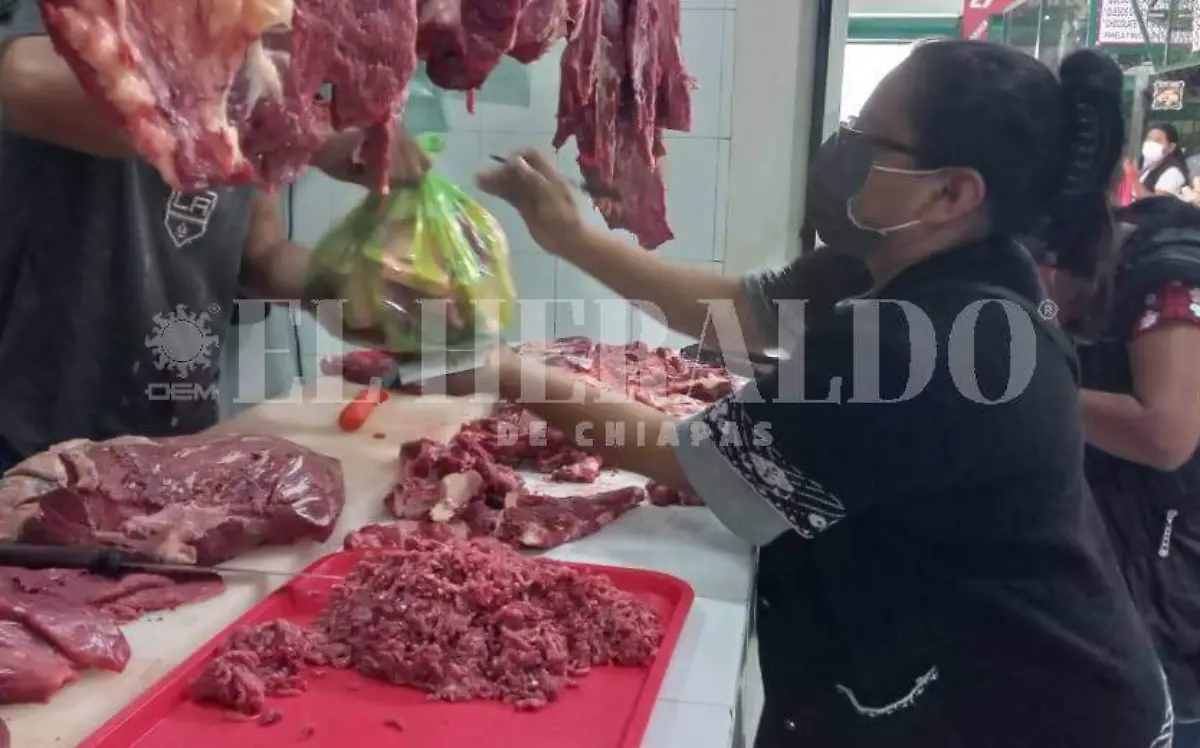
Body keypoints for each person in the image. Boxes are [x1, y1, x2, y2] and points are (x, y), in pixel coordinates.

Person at [458, 41, 1172, 747]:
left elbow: (699, 466)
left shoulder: (925, 340)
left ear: (951, 192)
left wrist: (502, 369)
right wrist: (570, 239)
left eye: (869, 136)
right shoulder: (920, 260)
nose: (842, 149)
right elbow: (738, 309)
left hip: (1036, 711)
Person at [0, 0, 429, 469]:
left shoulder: (268, 52)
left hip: (172, 424)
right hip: (32, 422)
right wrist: (303, 129)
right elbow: (23, 81)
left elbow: (262, 255)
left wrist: (347, 289)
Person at [1040, 195, 1200, 746]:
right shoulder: (1114, 269)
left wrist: (1024, 392)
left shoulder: (1169, 278)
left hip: (1167, 581)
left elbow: (1165, 432)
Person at [1139, 123, 1190, 198]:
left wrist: (1135, 182)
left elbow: (1159, 201)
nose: (1150, 143)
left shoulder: (1173, 171)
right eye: (1149, 139)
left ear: (1171, 147)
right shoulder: (1147, 165)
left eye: (1157, 141)